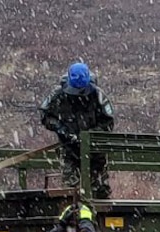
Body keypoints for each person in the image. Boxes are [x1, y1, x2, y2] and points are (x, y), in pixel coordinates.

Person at [39, 62, 115, 198]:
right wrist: (62, 130)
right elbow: (45, 116)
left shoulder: (98, 96)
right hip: (68, 149)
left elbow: (108, 122)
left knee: (99, 190)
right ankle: (73, 215)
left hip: (95, 151)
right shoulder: (58, 95)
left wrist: (89, 135)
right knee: (70, 190)